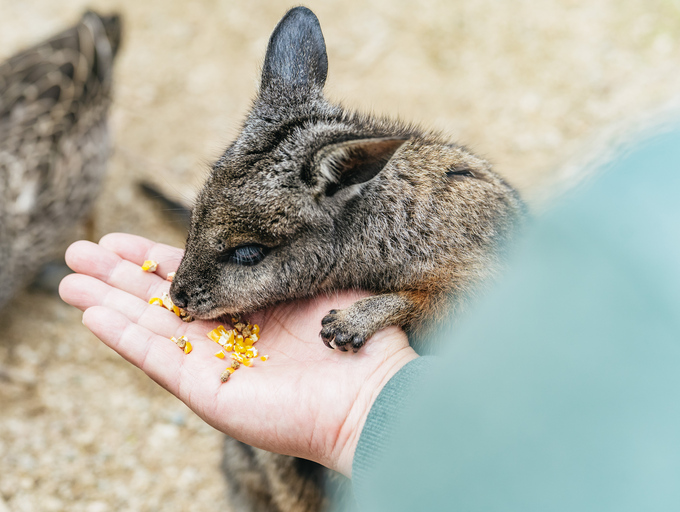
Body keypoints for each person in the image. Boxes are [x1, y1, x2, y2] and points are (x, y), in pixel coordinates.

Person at [60, 125, 680, 510]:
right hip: (353, 426)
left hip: (465, 426)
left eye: (244, 255)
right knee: (255, 458)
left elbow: (485, 298)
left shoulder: (450, 214)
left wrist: (396, 309)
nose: (182, 297)